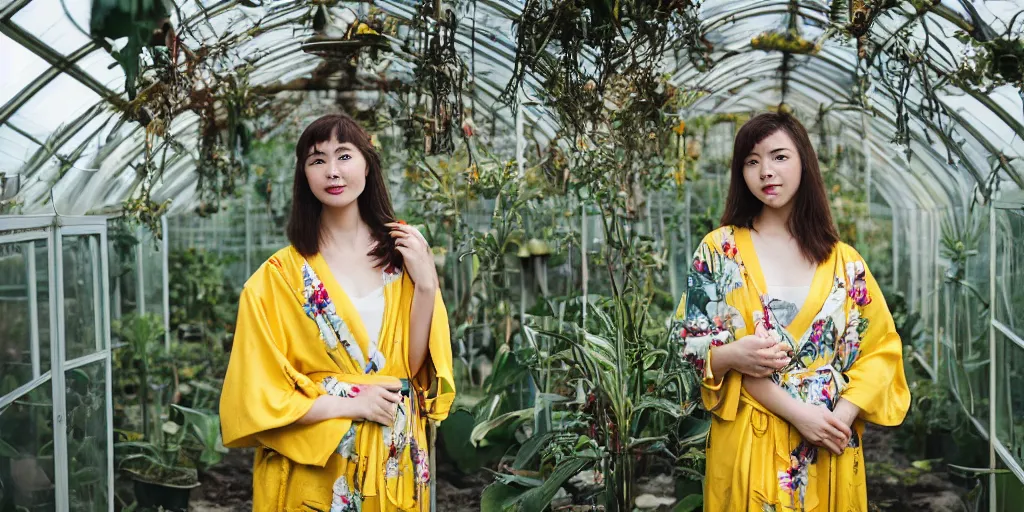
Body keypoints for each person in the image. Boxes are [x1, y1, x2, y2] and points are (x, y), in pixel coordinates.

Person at [669, 112, 909, 511]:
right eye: (751, 161)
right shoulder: (719, 250)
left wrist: (840, 418)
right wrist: (732, 355)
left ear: (804, 163)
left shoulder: (845, 263)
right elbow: (689, 342)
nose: (766, 171)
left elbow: (880, 349)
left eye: (779, 157)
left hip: (829, 441)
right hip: (749, 439)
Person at [219, 113, 455, 512]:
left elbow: (408, 369)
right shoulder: (277, 278)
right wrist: (351, 402)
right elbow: (253, 395)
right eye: (317, 160)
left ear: (367, 164)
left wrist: (428, 283)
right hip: (318, 466)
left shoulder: (404, 257)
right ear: (304, 176)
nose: (332, 171)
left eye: (344, 155)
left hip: (393, 460)